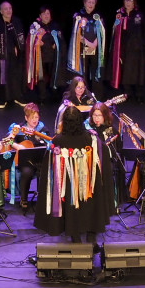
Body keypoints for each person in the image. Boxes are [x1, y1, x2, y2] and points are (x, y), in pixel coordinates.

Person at [34, 105, 111, 244]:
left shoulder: (58, 140)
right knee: (90, 204)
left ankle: (75, 237)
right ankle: (91, 236)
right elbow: (103, 154)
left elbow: (49, 164)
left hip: (68, 183)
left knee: (72, 206)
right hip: (89, 182)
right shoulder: (91, 138)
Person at [7, 103, 52, 209]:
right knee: (27, 171)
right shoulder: (19, 128)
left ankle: (46, 198)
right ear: (26, 118)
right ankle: (24, 198)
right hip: (25, 161)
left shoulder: (42, 129)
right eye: (32, 118)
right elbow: (8, 140)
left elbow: (49, 143)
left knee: (47, 170)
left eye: (36, 117)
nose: (35, 120)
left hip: (40, 159)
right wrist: (17, 146)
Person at [109, 0, 145, 103]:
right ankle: (128, 94)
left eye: (130, 0)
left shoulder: (139, 15)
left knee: (138, 73)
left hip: (138, 49)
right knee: (126, 73)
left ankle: (139, 95)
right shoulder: (119, 15)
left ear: (134, 2)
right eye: (126, 0)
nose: (128, 2)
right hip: (124, 49)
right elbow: (115, 33)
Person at [84, 101, 124, 211]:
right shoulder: (87, 129)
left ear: (105, 116)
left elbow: (119, 149)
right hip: (89, 160)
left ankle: (108, 202)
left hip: (107, 161)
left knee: (108, 169)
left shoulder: (111, 130)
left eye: (100, 115)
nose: (97, 118)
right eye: (94, 115)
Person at [68, 0, 107, 100]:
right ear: (84, 3)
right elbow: (76, 34)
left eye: (93, 3)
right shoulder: (78, 15)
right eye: (89, 2)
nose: (91, 4)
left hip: (95, 49)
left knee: (96, 73)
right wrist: (89, 44)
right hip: (82, 49)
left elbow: (101, 32)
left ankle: (97, 97)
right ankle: (83, 96)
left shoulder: (98, 16)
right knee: (82, 73)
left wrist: (94, 44)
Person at [26, 5, 64, 103]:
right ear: (40, 16)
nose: (46, 15)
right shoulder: (35, 26)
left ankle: (55, 95)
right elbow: (30, 40)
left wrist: (57, 43)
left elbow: (60, 38)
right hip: (41, 56)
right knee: (41, 77)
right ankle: (42, 97)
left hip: (53, 56)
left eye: (48, 13)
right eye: (44, 13)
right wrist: (37, 43)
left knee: (54, 75)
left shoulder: (55, 25)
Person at [0, 1, 26, 108]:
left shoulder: (17, 22)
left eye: (10, 8)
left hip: (16, 56)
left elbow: (20, 37)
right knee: (3, 77)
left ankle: (17, 96)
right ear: (1, 11)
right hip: (2, 56)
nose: (8, 11)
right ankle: (3, 98)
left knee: (16, 76)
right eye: (6, 9)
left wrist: (17, 47)